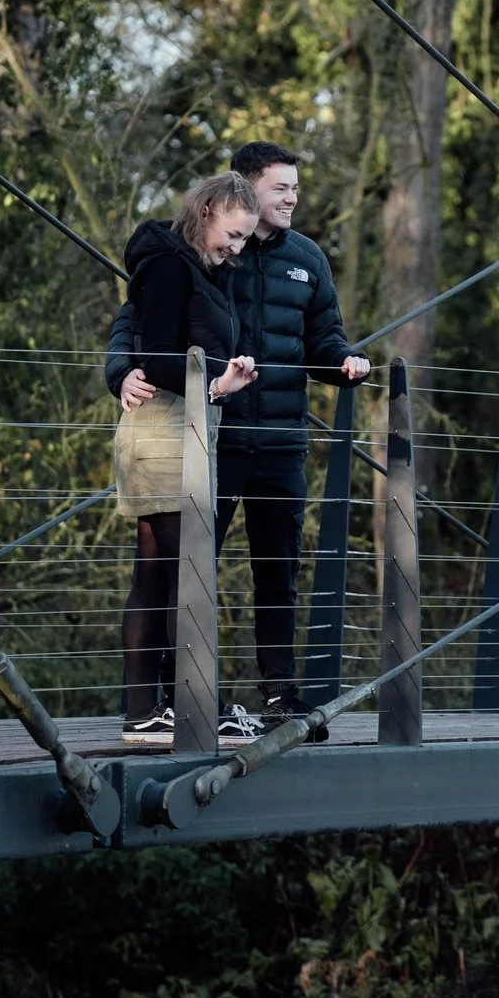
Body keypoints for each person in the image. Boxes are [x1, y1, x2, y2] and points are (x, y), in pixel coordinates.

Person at [108, 142, 370, 735]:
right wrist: (119, 372)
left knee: (278, 571)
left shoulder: (307, 259)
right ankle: (179, 700)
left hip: (279, 441)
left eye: (295, 188)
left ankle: (279, 696)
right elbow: (139, 323)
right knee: (188, 571)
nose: (292, 198)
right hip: (209, 440)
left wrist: (346, 363)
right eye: (280, 187)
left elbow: (325, 336)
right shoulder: (205, 255)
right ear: (243, 191)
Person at [113, 171, 266, 747]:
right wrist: (218, 382)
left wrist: (222, 380)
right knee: (178, 572)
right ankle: (180, 702)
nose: (237, 248)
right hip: (163, 428)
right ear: (205, 213)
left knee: (159, 572)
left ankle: (152, 710)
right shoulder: (170, 266)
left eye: (246, 238)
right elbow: (154, 355)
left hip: (190, 426)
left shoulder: (204, 268)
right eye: (232, 234)